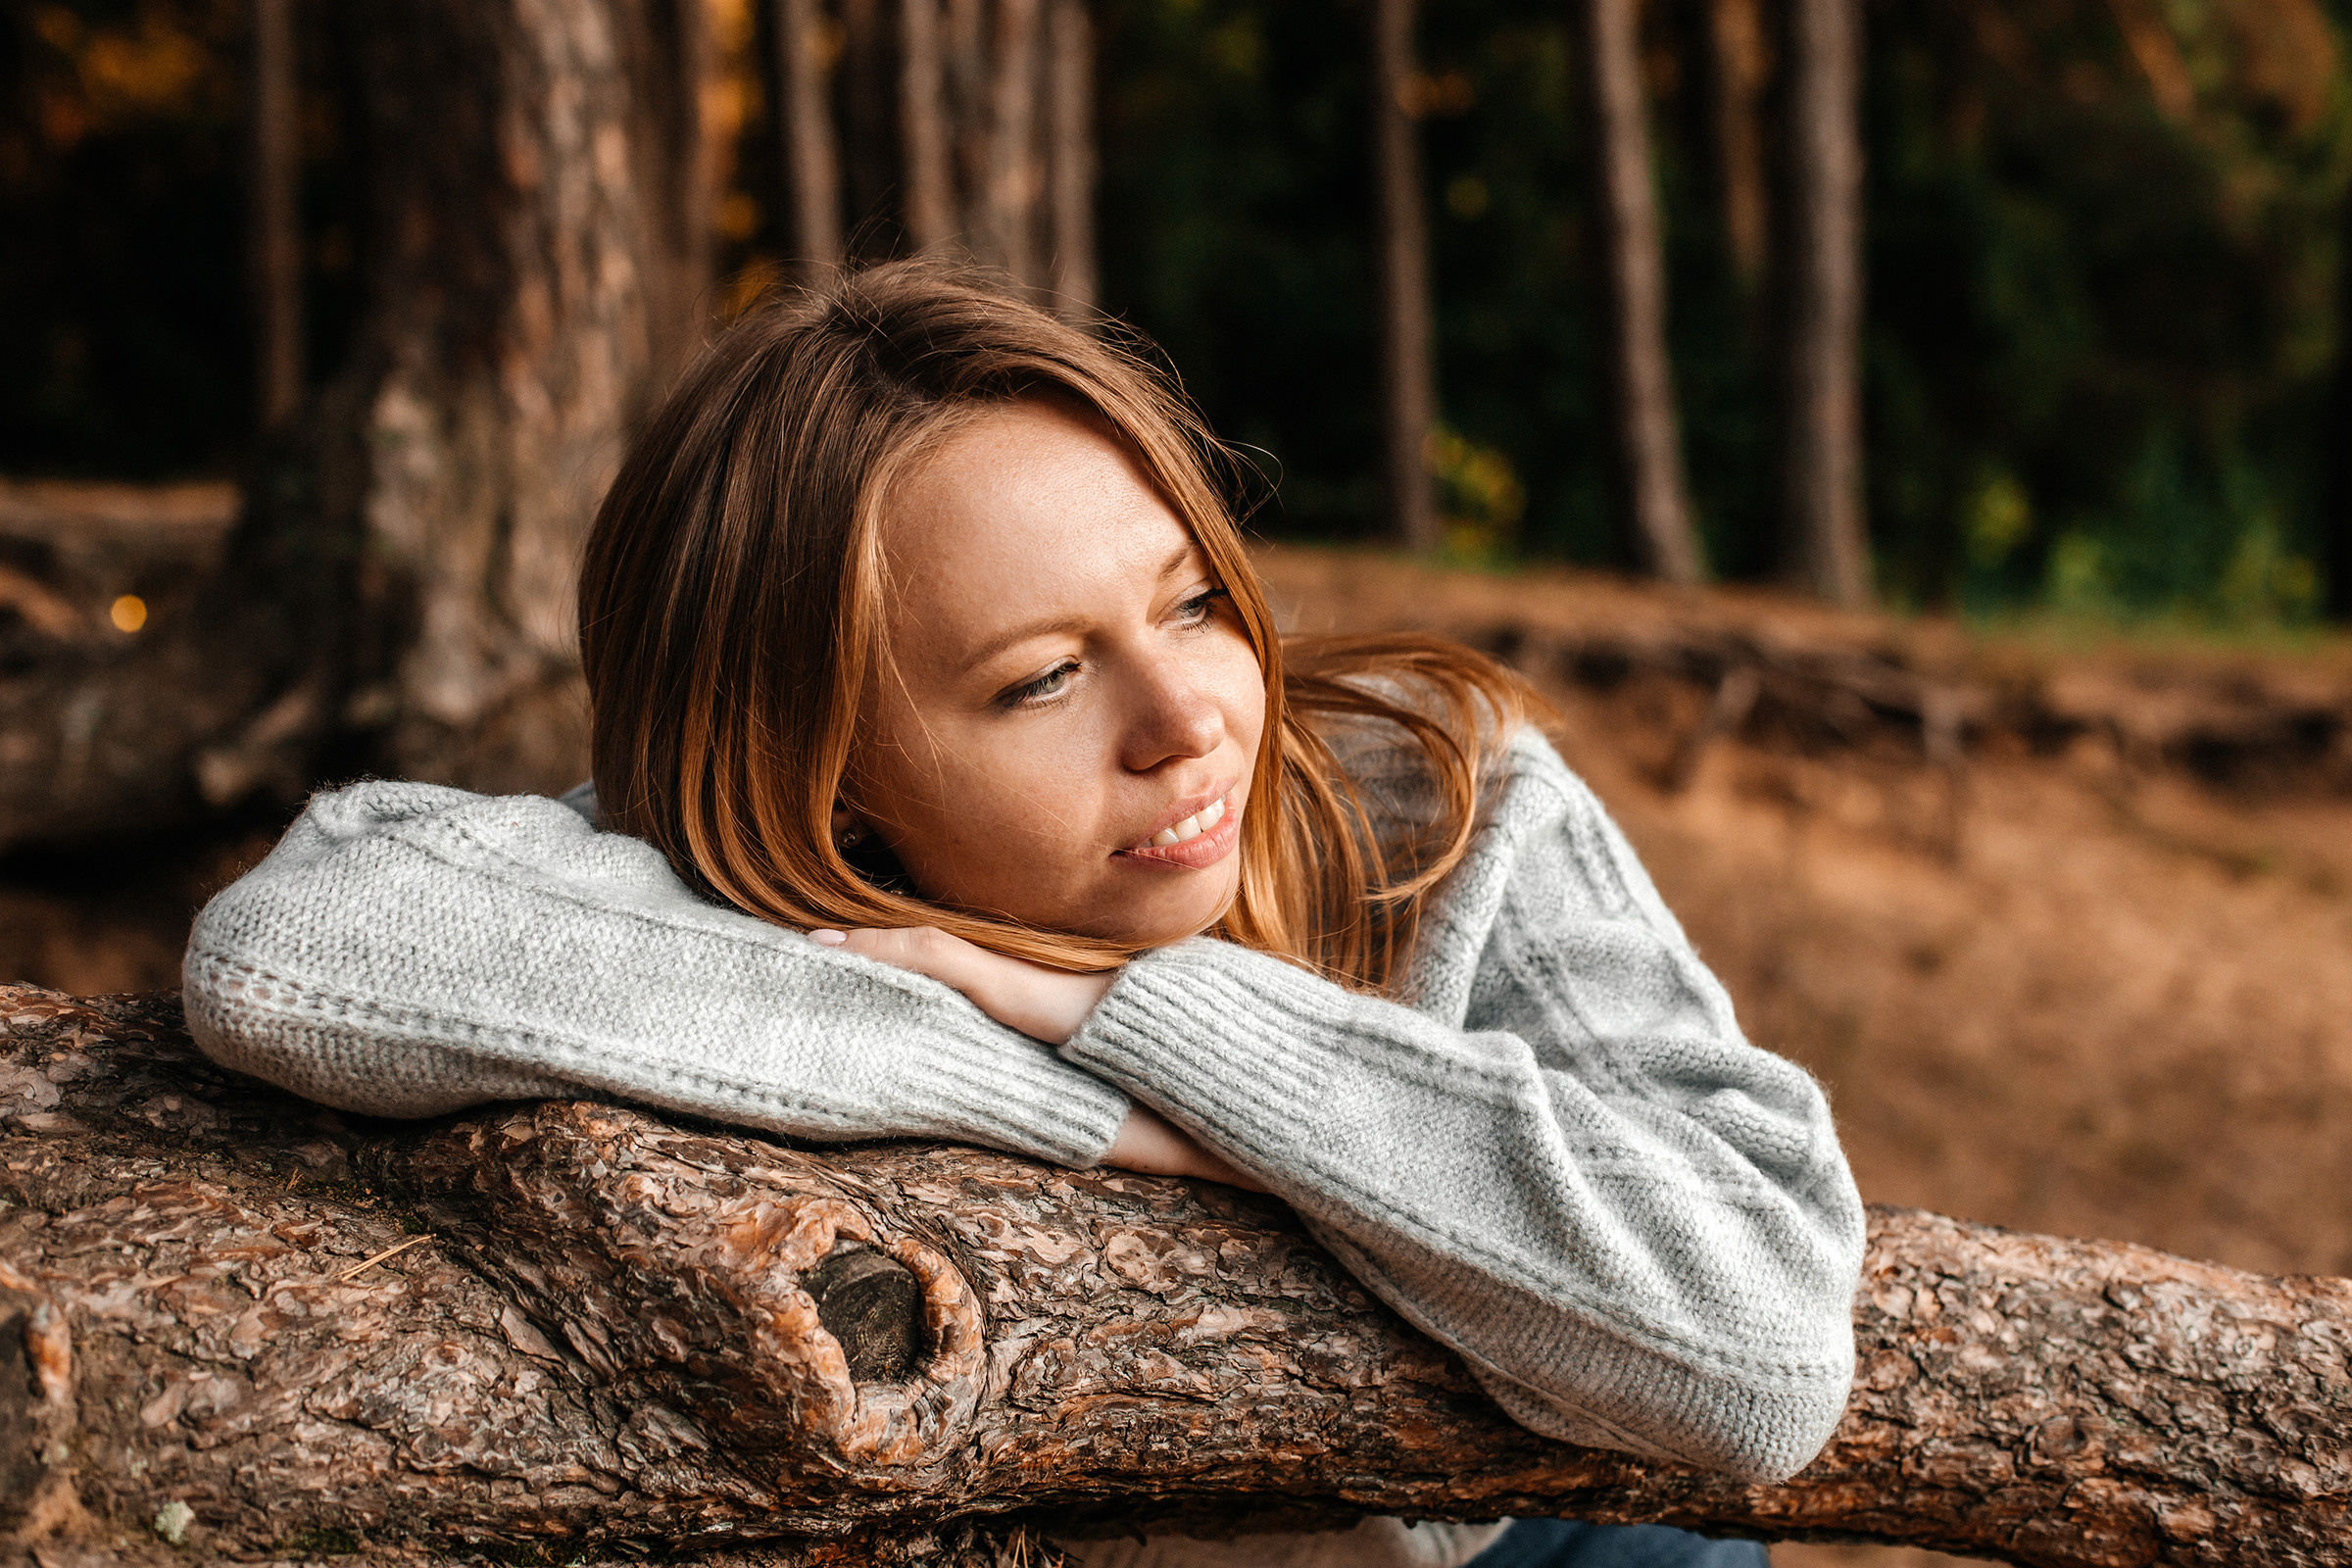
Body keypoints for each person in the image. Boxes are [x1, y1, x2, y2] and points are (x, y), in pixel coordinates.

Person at [182, 263, 1863, 1568]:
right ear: (832, 788)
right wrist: (1055, 1090)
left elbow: (1765, 1341)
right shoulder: (757, 887)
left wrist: (1154, 1037)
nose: (1189, 717)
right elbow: (303, 950)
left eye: (1192, 600)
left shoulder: (1437, 805)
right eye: (1044, 678)